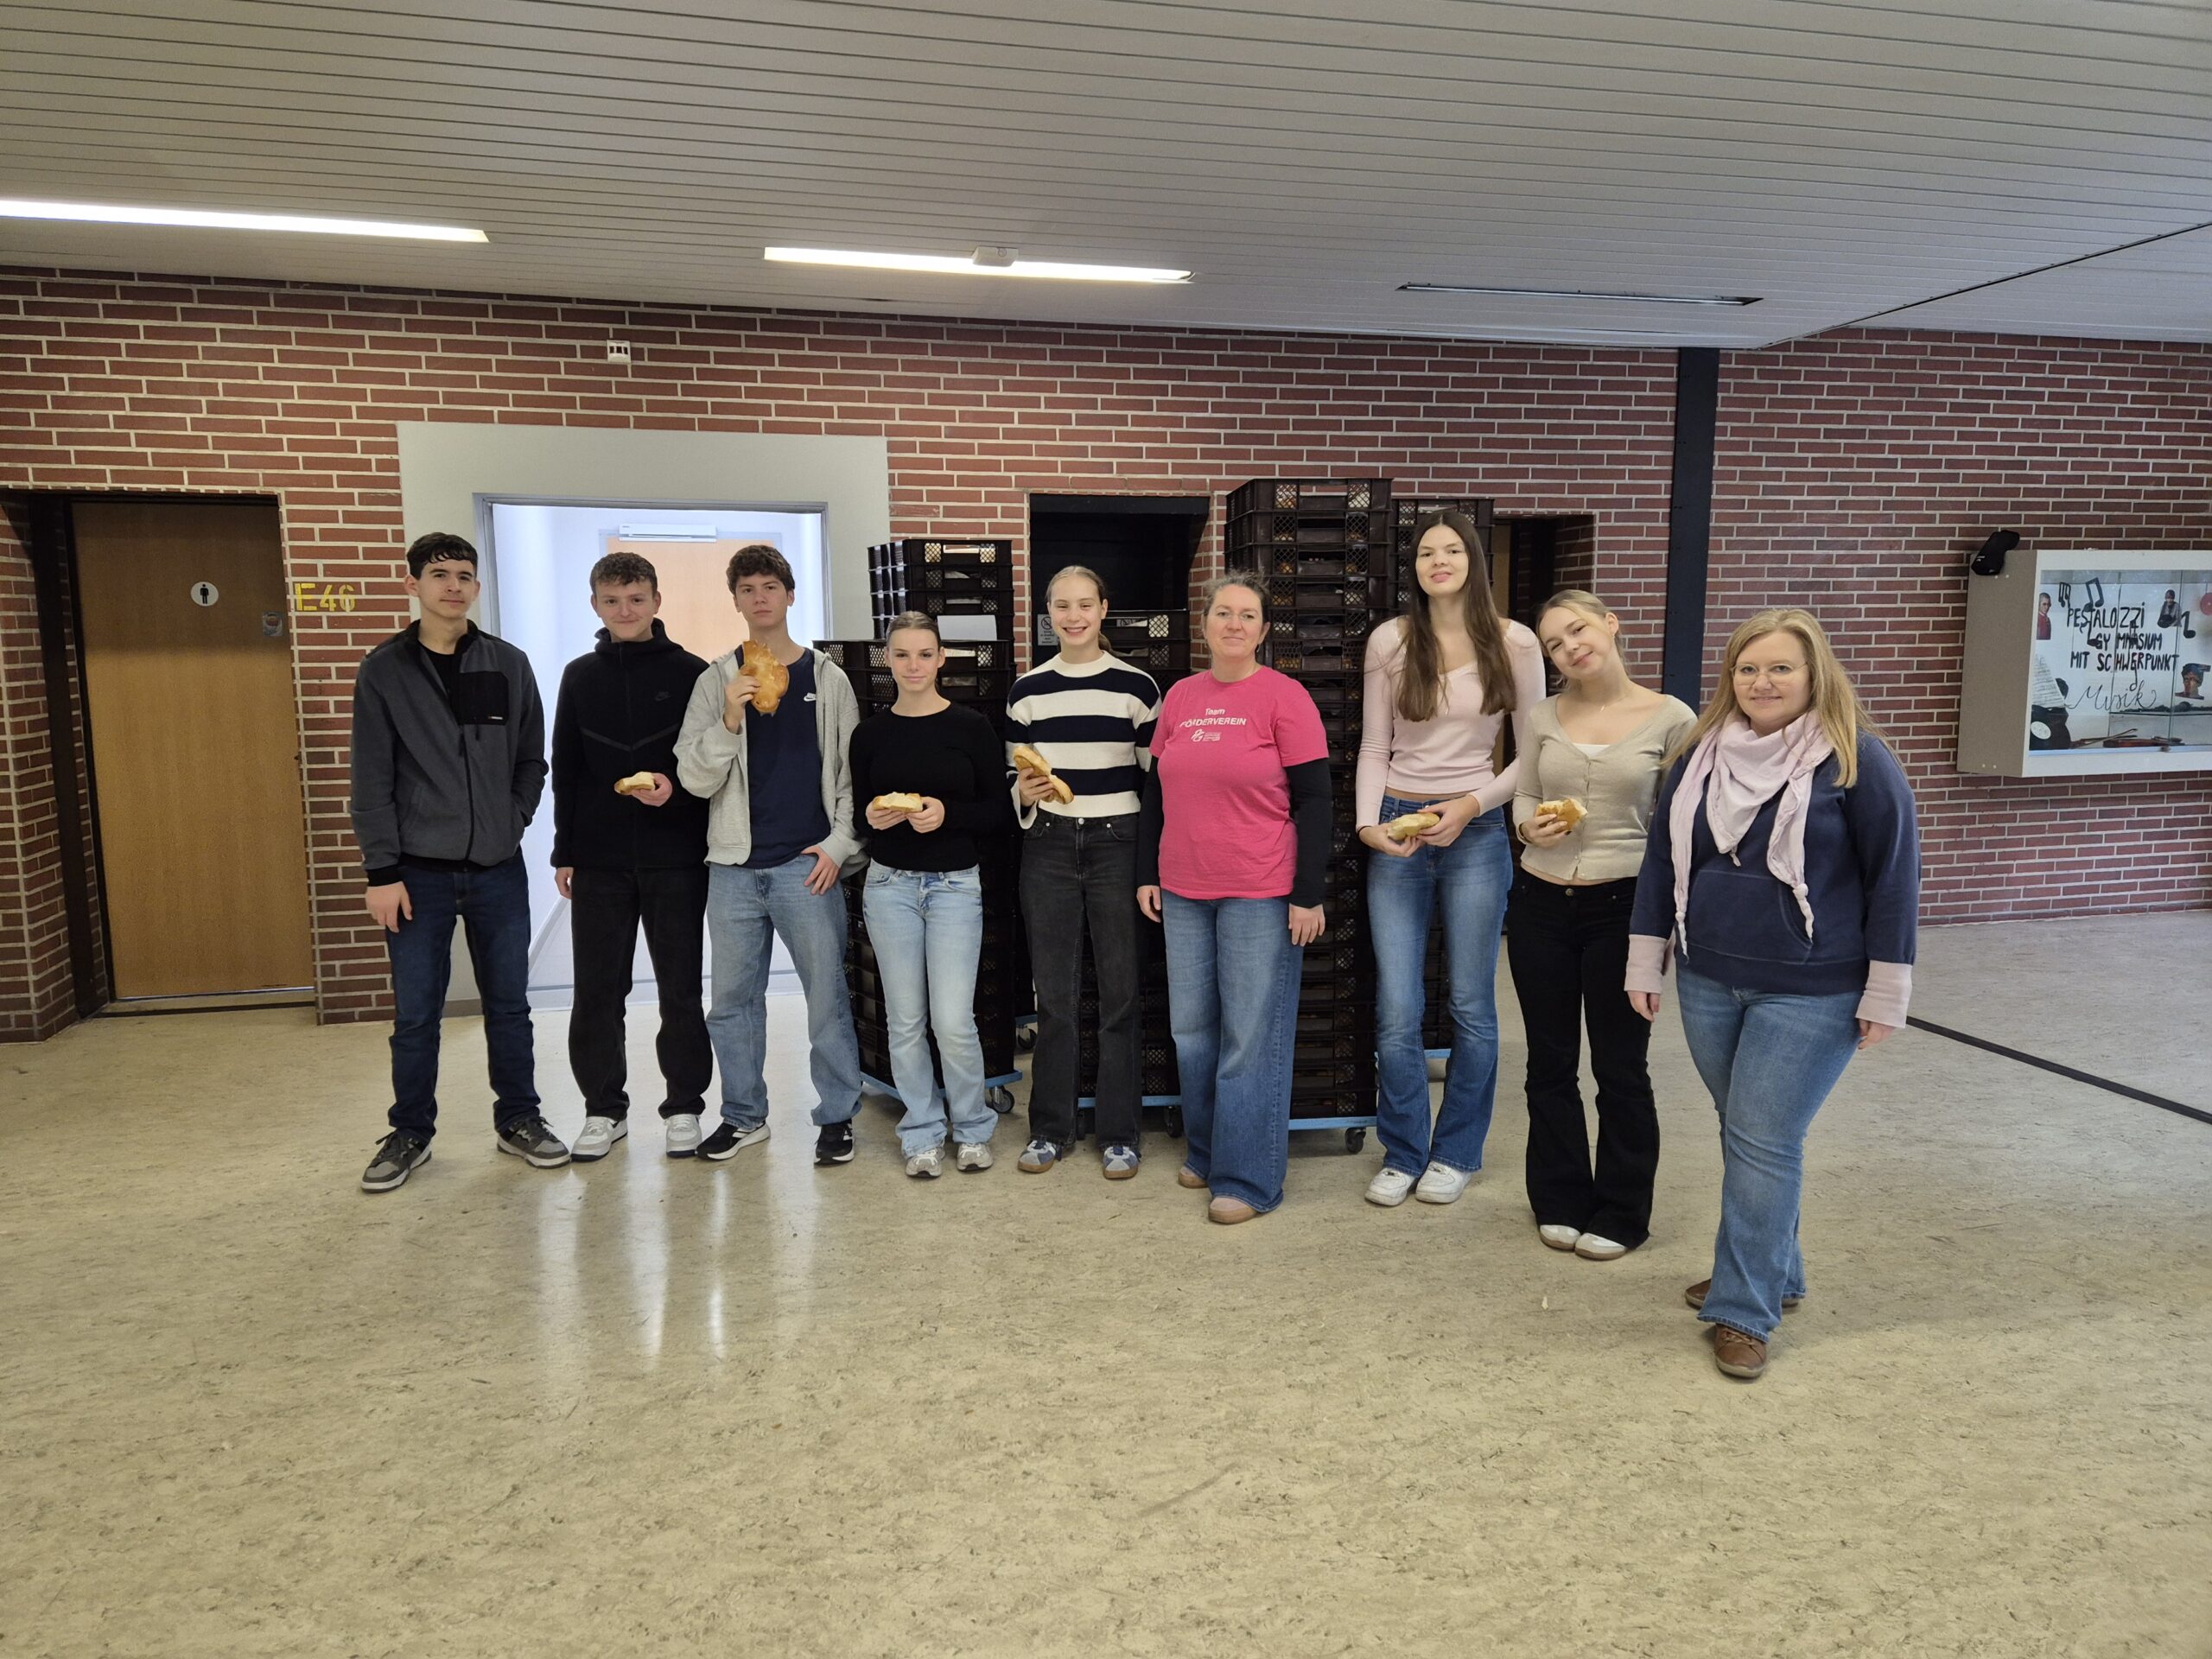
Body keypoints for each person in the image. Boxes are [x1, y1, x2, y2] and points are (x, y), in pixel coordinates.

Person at [1626, 607, 1920, 1382]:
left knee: (1762, 1139)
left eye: (1781, 667)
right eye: (1748, 668)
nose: (1763, 682)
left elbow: (1894, 880)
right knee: (1748, 1133)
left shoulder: (1857, 760)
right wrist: (1645, 960)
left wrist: (1885, 991)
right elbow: (1662, 863)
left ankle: (1744, 1309)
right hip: (1708, 976)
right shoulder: (1698, 756)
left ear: (1815, 674)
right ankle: (1771, 1270)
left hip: (1813, 989)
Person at [353, 531, 558, 1192]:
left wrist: (512, 817)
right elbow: (370, 778)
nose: (453, 585)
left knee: (510, 1006)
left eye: (464, 575)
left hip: (498, 868)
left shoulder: (506, 663)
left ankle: (518, 1118)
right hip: (417, 874)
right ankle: (410, 1132)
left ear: (476, 587)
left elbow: (530, 757)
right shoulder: (384, 670)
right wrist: (382, 872)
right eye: (439, 574)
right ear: (412, 584)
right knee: (417, 1014)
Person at [1354, 509, 1544, 1208]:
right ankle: (1403, 1151)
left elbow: (1535, 752)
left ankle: (1457, 1152)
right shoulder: (1391, 640)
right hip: (1399, 827)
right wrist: (1369, 825)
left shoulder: (1514, 641)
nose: (1440, 561)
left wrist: (1470, 804)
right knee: (1397, 1007)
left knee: (1470, 1004)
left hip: (1477, 830)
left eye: (1453, 550)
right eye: (1428, 552)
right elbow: (1376, 745)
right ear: (1414, 567)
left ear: (1473, 561)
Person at [1507, 591, 1695, 1259]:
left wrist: (1666, 921)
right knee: (1549, 1062)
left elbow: (1681, 824)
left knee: (1620, 1067)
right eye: (1555, 644)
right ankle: (1558, 1197)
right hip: (1539, 901)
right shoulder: (1542, 715)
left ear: (1611, 624)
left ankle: (1621, 1211)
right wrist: (1526, 826)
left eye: (1578, 630)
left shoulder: (1672, 718)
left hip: (1624, 908)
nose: (1570, 648)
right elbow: (1526, 791)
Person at [1138, 573, 1330, 1224]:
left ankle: (1248, 1180)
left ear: (1264, 630)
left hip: (1260, 890)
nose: (1234, 624)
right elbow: (1157, 790)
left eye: (1248, 615)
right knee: (1192, 1032)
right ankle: (1208, 1150)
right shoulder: (1181, 696)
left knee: (1250, 1037)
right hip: (1183, 887)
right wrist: (1148, 871)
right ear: (1206, 623)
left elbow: (1315, 801)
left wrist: (1307, 895)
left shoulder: (1285, 697)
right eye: (1224, 612)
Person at [675, 543, 866, 1166]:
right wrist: (730, 719)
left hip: (806, 869)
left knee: (826, 1000)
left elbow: (851, 776)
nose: (760, 598)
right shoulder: (715, 681)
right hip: (732, 870)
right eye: (748, 588)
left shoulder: (827, 679)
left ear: (789, 595)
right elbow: (694, 779)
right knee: (732, 1004)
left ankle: (836, 1116)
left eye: (770, 587)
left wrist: (838, 846)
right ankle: (743, 1116)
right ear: (735, 600)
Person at [549, 551, 713, 1161]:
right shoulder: (578, 676)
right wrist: (565, 850)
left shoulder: (694, 673)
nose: (625, 610)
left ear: (656, 602)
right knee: (597, 991)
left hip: (676, 856)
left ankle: (685, 1106)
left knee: (680, 989)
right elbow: (566, 767)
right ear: (595, 605)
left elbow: (708, 762)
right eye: (613, 601)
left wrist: (676, 791)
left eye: (636, 599)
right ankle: (603, 1111)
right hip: (599, 860)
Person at [1006, 565, 1163, 1178]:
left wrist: (1150, 863)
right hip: (1047, 844)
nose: (1073, 616)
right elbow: (1014, 776)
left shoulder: (1137, 688)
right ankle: (1050, 1129)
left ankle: (1120, 1133)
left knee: (1120, 995)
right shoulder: (1027, 691)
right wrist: (1023, 792)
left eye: (1084, 605)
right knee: (1055, 998)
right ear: (1048, 614)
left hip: (1118, 843)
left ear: (1103, 610)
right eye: (1061, 606)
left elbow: (1155, 784)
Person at [849, 613, 1013, 1177]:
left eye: (924, 654)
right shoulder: (870, 734)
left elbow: (999, 812)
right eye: (902, 654)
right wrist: (871, 817)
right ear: (887, 660)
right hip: (889, 885)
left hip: (954, 887)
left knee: (953, 1020)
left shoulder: (971, 728)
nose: (913, 665)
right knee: (905, 1021)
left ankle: (971, 1128)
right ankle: (921, 1131)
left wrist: (947, 814)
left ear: (941, 659)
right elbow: (860, 813)